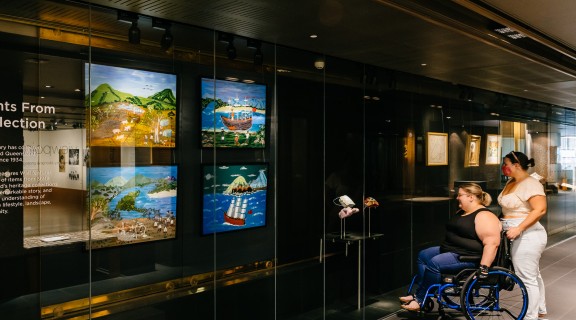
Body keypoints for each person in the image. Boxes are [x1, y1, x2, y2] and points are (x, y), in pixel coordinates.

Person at [400, 183, 501, 311]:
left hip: (468, 257)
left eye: (460, 195)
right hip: (451, 251)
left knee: (434, 263)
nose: (457, 198)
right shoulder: (463, 212)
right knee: (423, 255)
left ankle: (420, 300)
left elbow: (492, 243)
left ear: (471, 197)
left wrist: (484, 268)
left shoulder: (484, 216)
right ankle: (423, 293)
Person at [499, 151, 547, 320]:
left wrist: (519, 228)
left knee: (526, 276)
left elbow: (540, 209)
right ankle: (540, 308)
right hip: (512, 232)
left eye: (506, 164)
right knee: (532, 274)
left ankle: (530, 316)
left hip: (528, 233)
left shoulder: (531, 184)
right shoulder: (512, 182)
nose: (504, 167)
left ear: (517, 166)